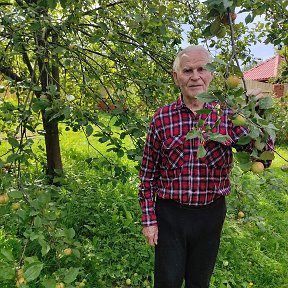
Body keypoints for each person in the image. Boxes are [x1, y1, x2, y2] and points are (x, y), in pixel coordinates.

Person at [139, 45, 273, 288]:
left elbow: (263, 159)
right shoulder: (162, 118)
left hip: (210, 214)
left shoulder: (229, 116)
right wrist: (149, 220)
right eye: (187, 70)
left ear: (211, 74)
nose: (195, 76)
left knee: (199, 282)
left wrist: (260, 121)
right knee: (167, 281)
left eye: (202, 69)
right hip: (170, 214)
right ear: (176, 76)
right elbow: (148, 175)